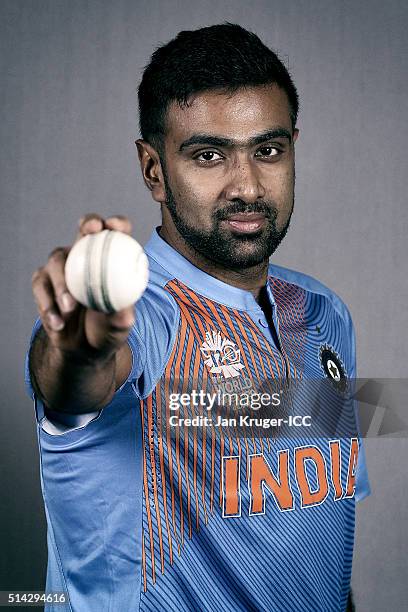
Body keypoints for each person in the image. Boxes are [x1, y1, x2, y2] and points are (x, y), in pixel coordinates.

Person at [26, 23, 369, 612]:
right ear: (153, 169)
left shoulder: (325, 314)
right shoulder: (142, 314)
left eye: (268, 150)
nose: (247, 186)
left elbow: (322, 528)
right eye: (208, 155)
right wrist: (78, 350)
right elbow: (79, 378)